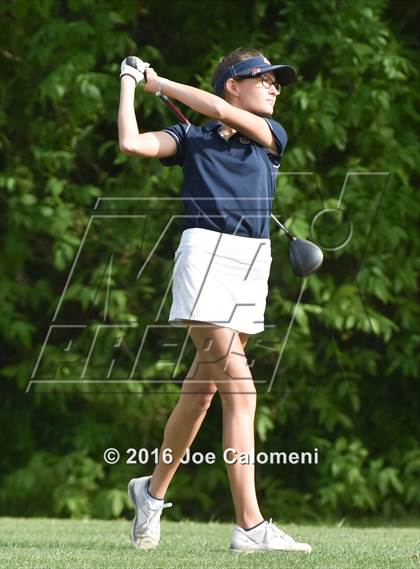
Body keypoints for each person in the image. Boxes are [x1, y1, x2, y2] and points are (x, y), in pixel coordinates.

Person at [118, 47, 312, 554]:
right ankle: (250, 526)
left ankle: (151, 492)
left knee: (202, 392)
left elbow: (224, 114)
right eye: (263, 78)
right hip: (204, 256)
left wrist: (159, 85)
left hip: (253, 263)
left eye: (276, 81)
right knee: (241, 388)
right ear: (232, 83)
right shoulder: (191, 139)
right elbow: (132, 143)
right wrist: (127, 84)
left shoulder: (272, 138)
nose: (274, 87)